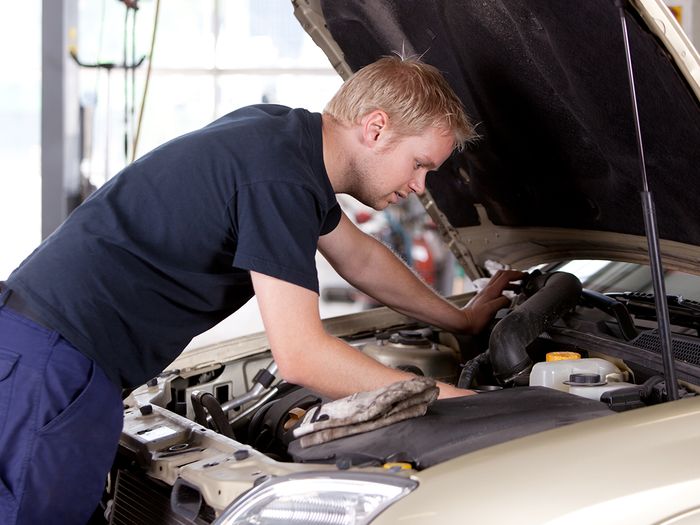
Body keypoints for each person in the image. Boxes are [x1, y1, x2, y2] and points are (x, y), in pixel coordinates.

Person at [0, 55, 522, 524]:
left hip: (34, 346)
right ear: (377, 127)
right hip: (58, 366)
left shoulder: (283, 139)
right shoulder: (284, 179)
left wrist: (462, 319)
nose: (419, 187)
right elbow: (301, 358)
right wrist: (460, 402)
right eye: (420, 164)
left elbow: (360, 256)